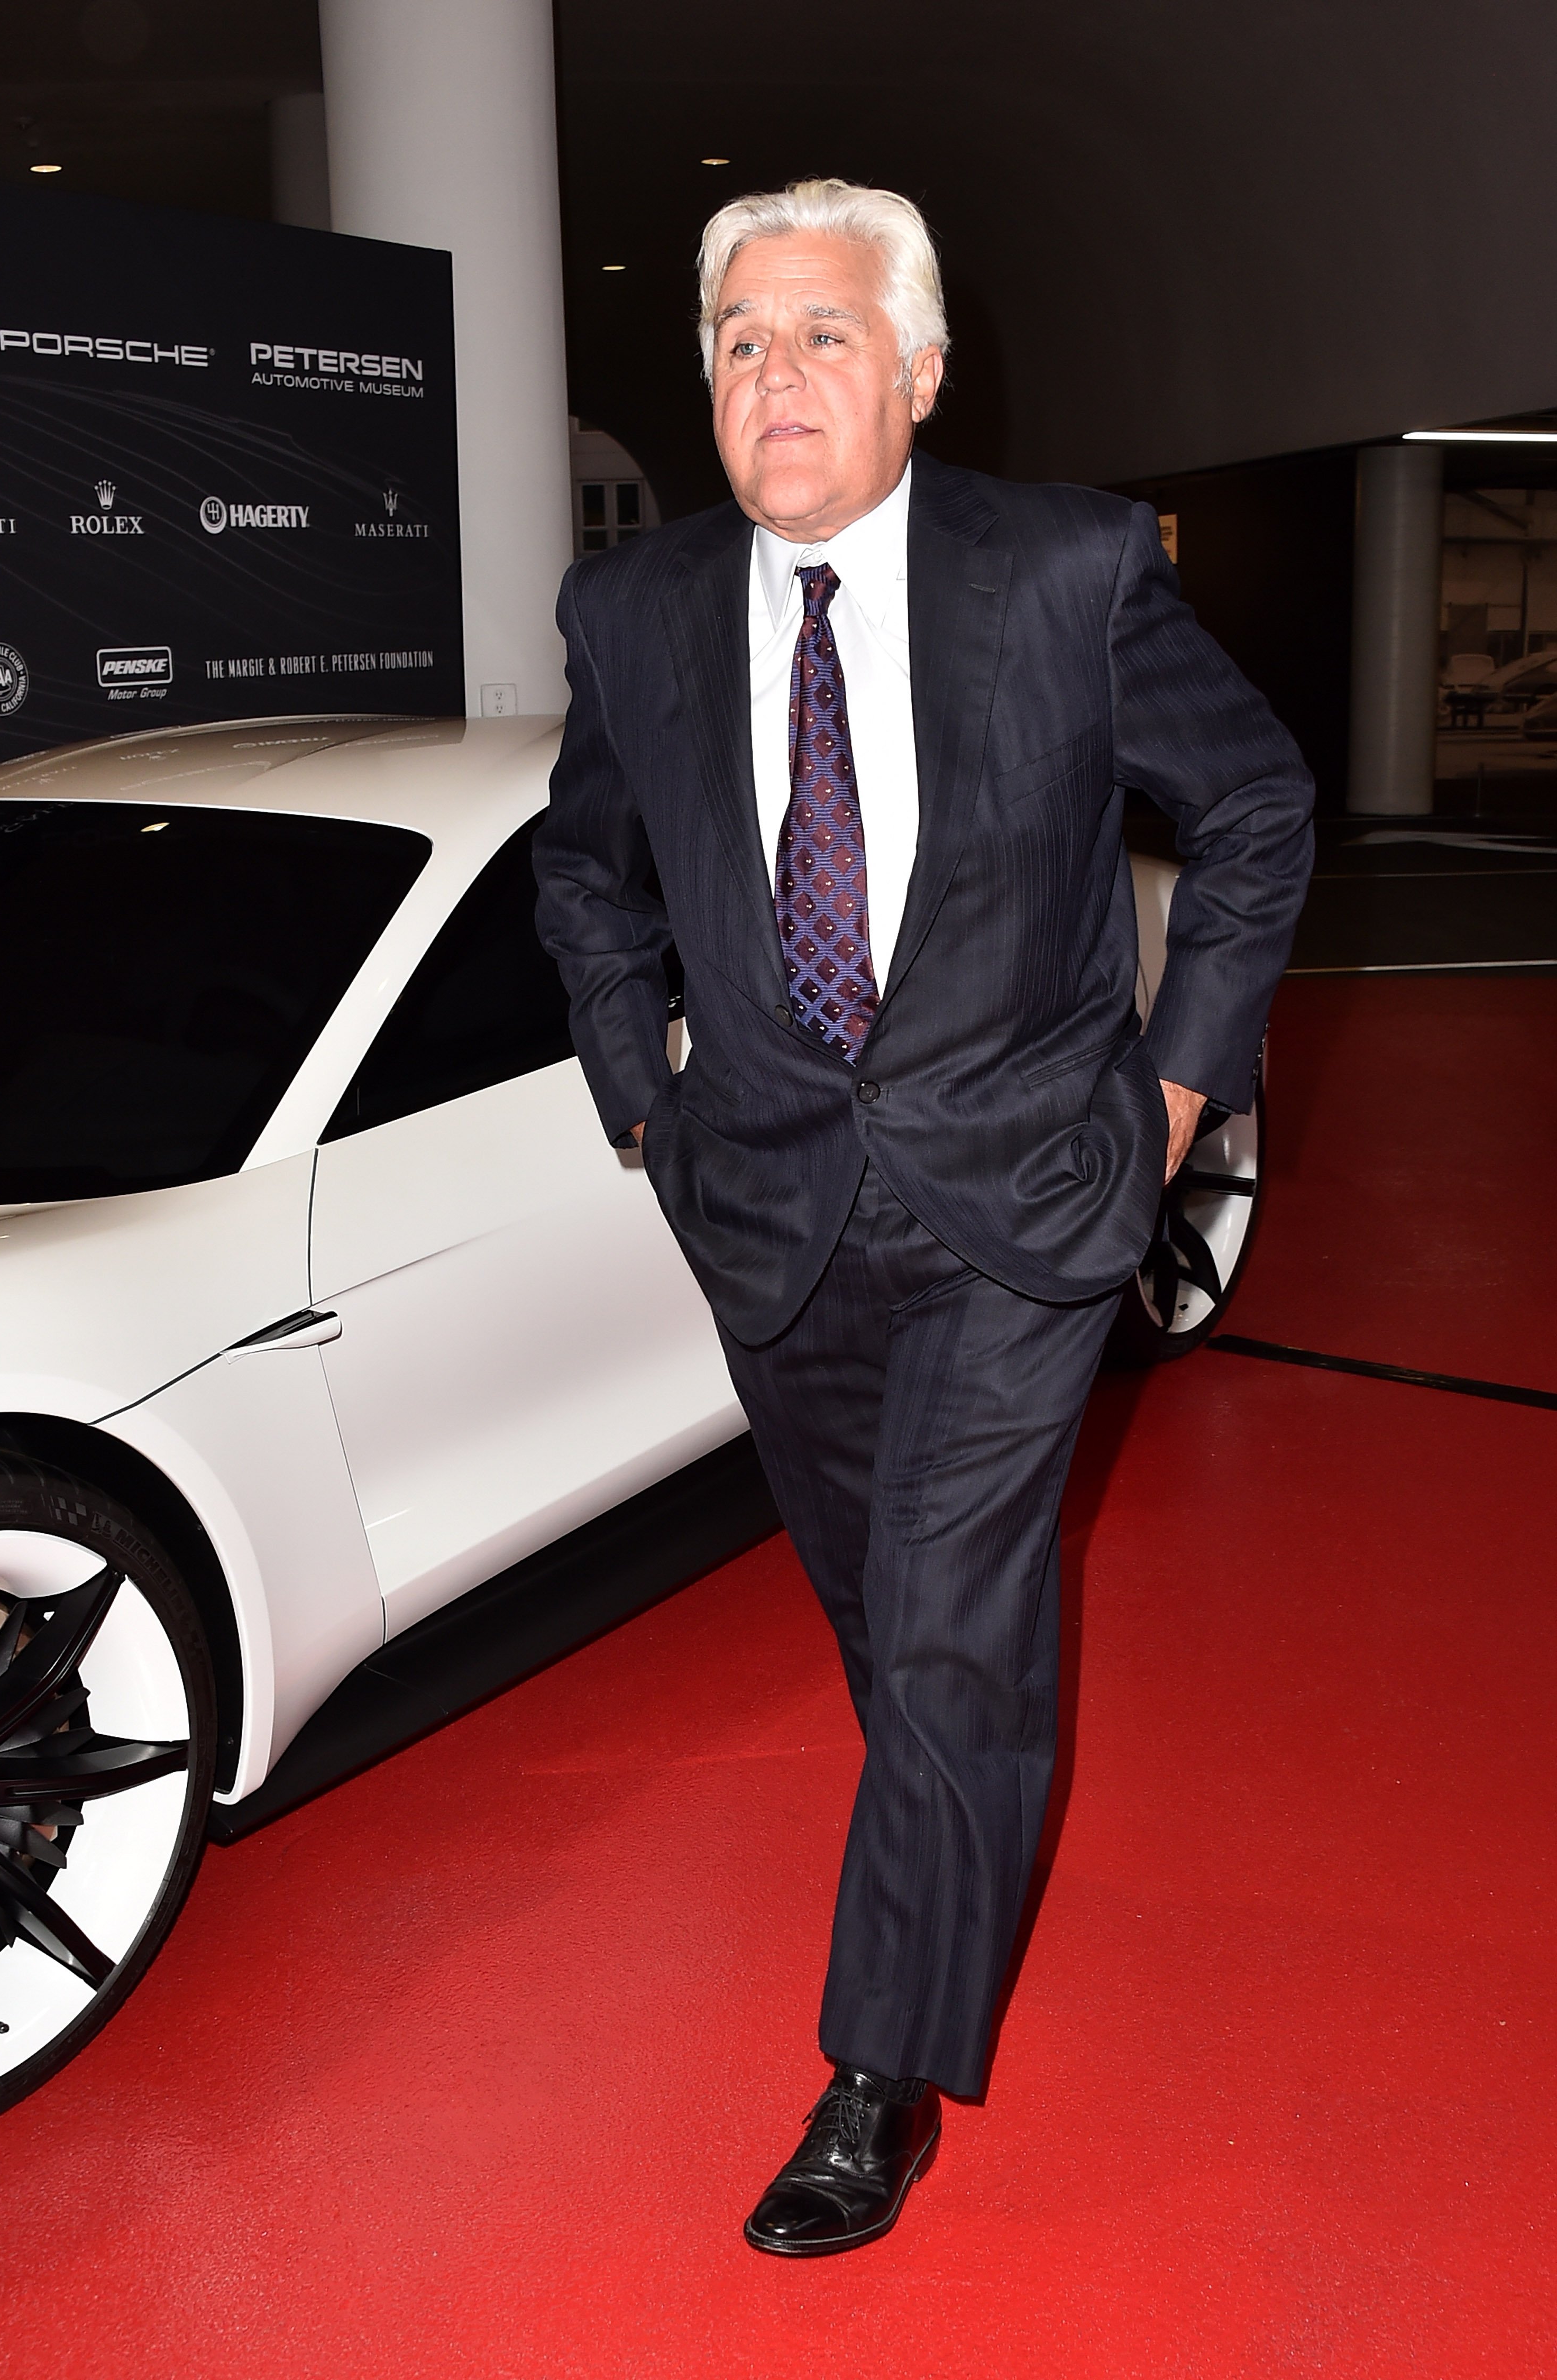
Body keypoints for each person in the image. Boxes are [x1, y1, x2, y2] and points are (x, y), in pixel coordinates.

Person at [534, 178, 1314, 2258]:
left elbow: (1247, 805)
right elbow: (584, 875)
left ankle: (876, 2075)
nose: (770, 378)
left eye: (816, 335)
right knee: (893, 1631)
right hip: (766, 1217)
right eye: (732, 344)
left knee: (956, 1637)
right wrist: (643, 1106)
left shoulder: (1059, 571)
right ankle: (956, 1820)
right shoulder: (629, 614)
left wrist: (1168, 1096)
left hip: (1026, 1202)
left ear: (917, 369)